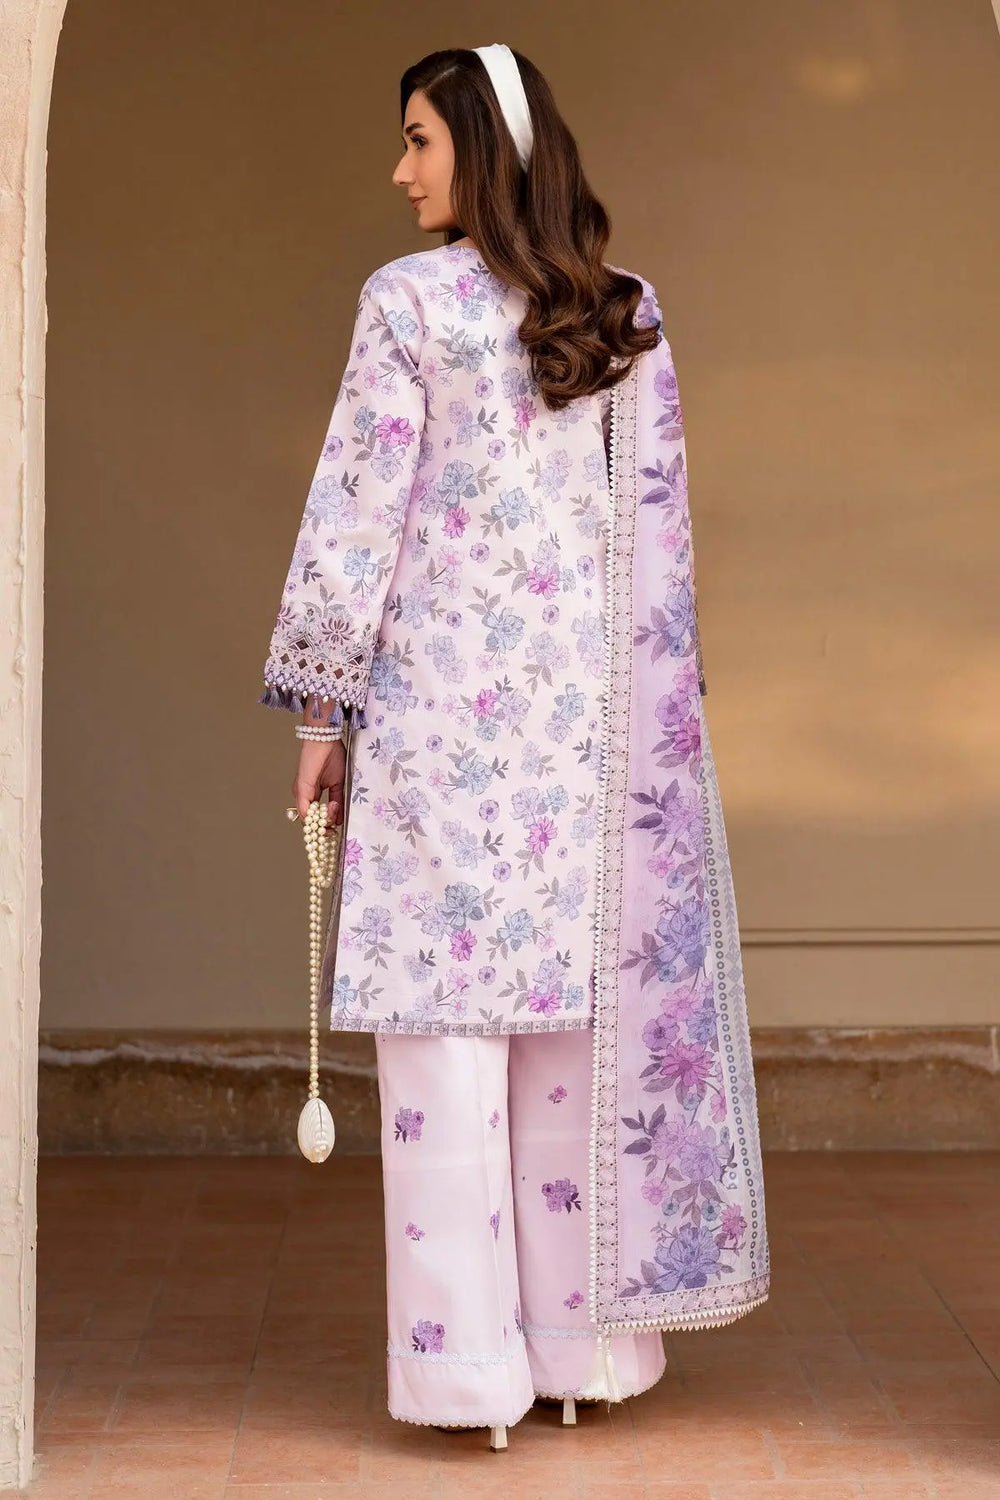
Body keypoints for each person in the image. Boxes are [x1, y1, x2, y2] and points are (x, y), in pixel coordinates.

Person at [259, 43, 770, 1450]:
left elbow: (356, 513)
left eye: (419, 139)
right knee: (567, 1050)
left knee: (444, 1055)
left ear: (483, 149)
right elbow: (661, 550)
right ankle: (582, 1362)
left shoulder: (407, 303)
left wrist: (323, 716)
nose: (400, 170)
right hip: (580, 749)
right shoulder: (622, 311)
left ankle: (470, 1378)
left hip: (439, 740)